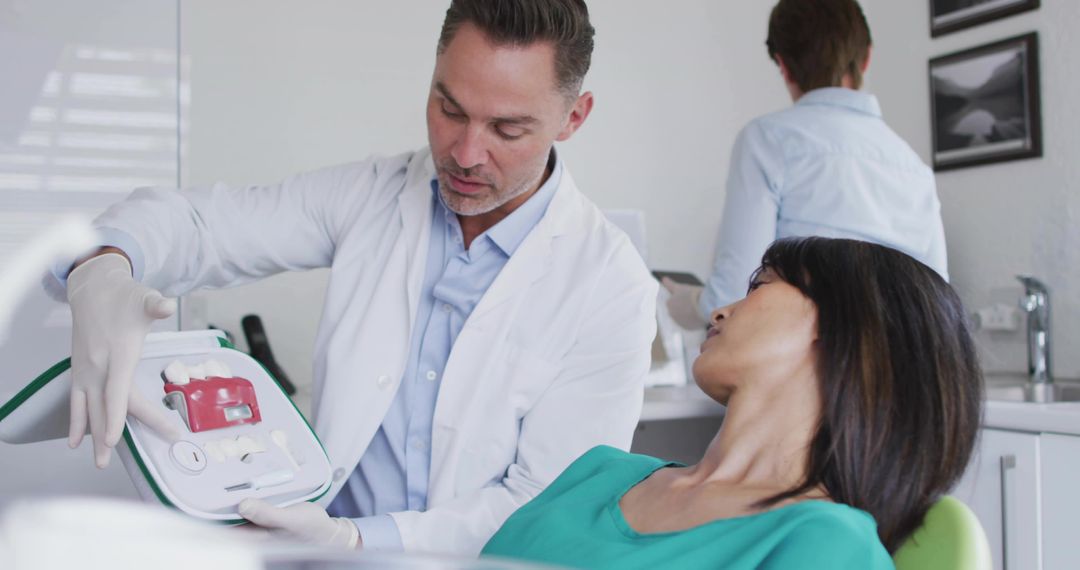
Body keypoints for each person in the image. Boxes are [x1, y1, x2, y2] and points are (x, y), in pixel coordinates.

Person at [51, 0, 657, 555]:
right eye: (449, 109)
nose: (467, 153)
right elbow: (204, 225)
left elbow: (552, 503)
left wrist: (356, 540)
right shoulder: (373, 194)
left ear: (573, 117)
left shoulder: (610, 283)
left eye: (507, 129)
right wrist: (103, 264)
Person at [483, 237, 982, 569]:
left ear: (843, 327)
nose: (720, 310)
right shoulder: (601, 471)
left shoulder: (826, 543)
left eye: (760, 285)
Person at [665, 0, 948, 330]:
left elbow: (732, 293)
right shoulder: (913, 166)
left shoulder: (767, 140)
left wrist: (687, 303)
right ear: (867, 57)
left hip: (811, 368)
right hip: (894, 370)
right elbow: (938, 301)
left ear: (783, 65)